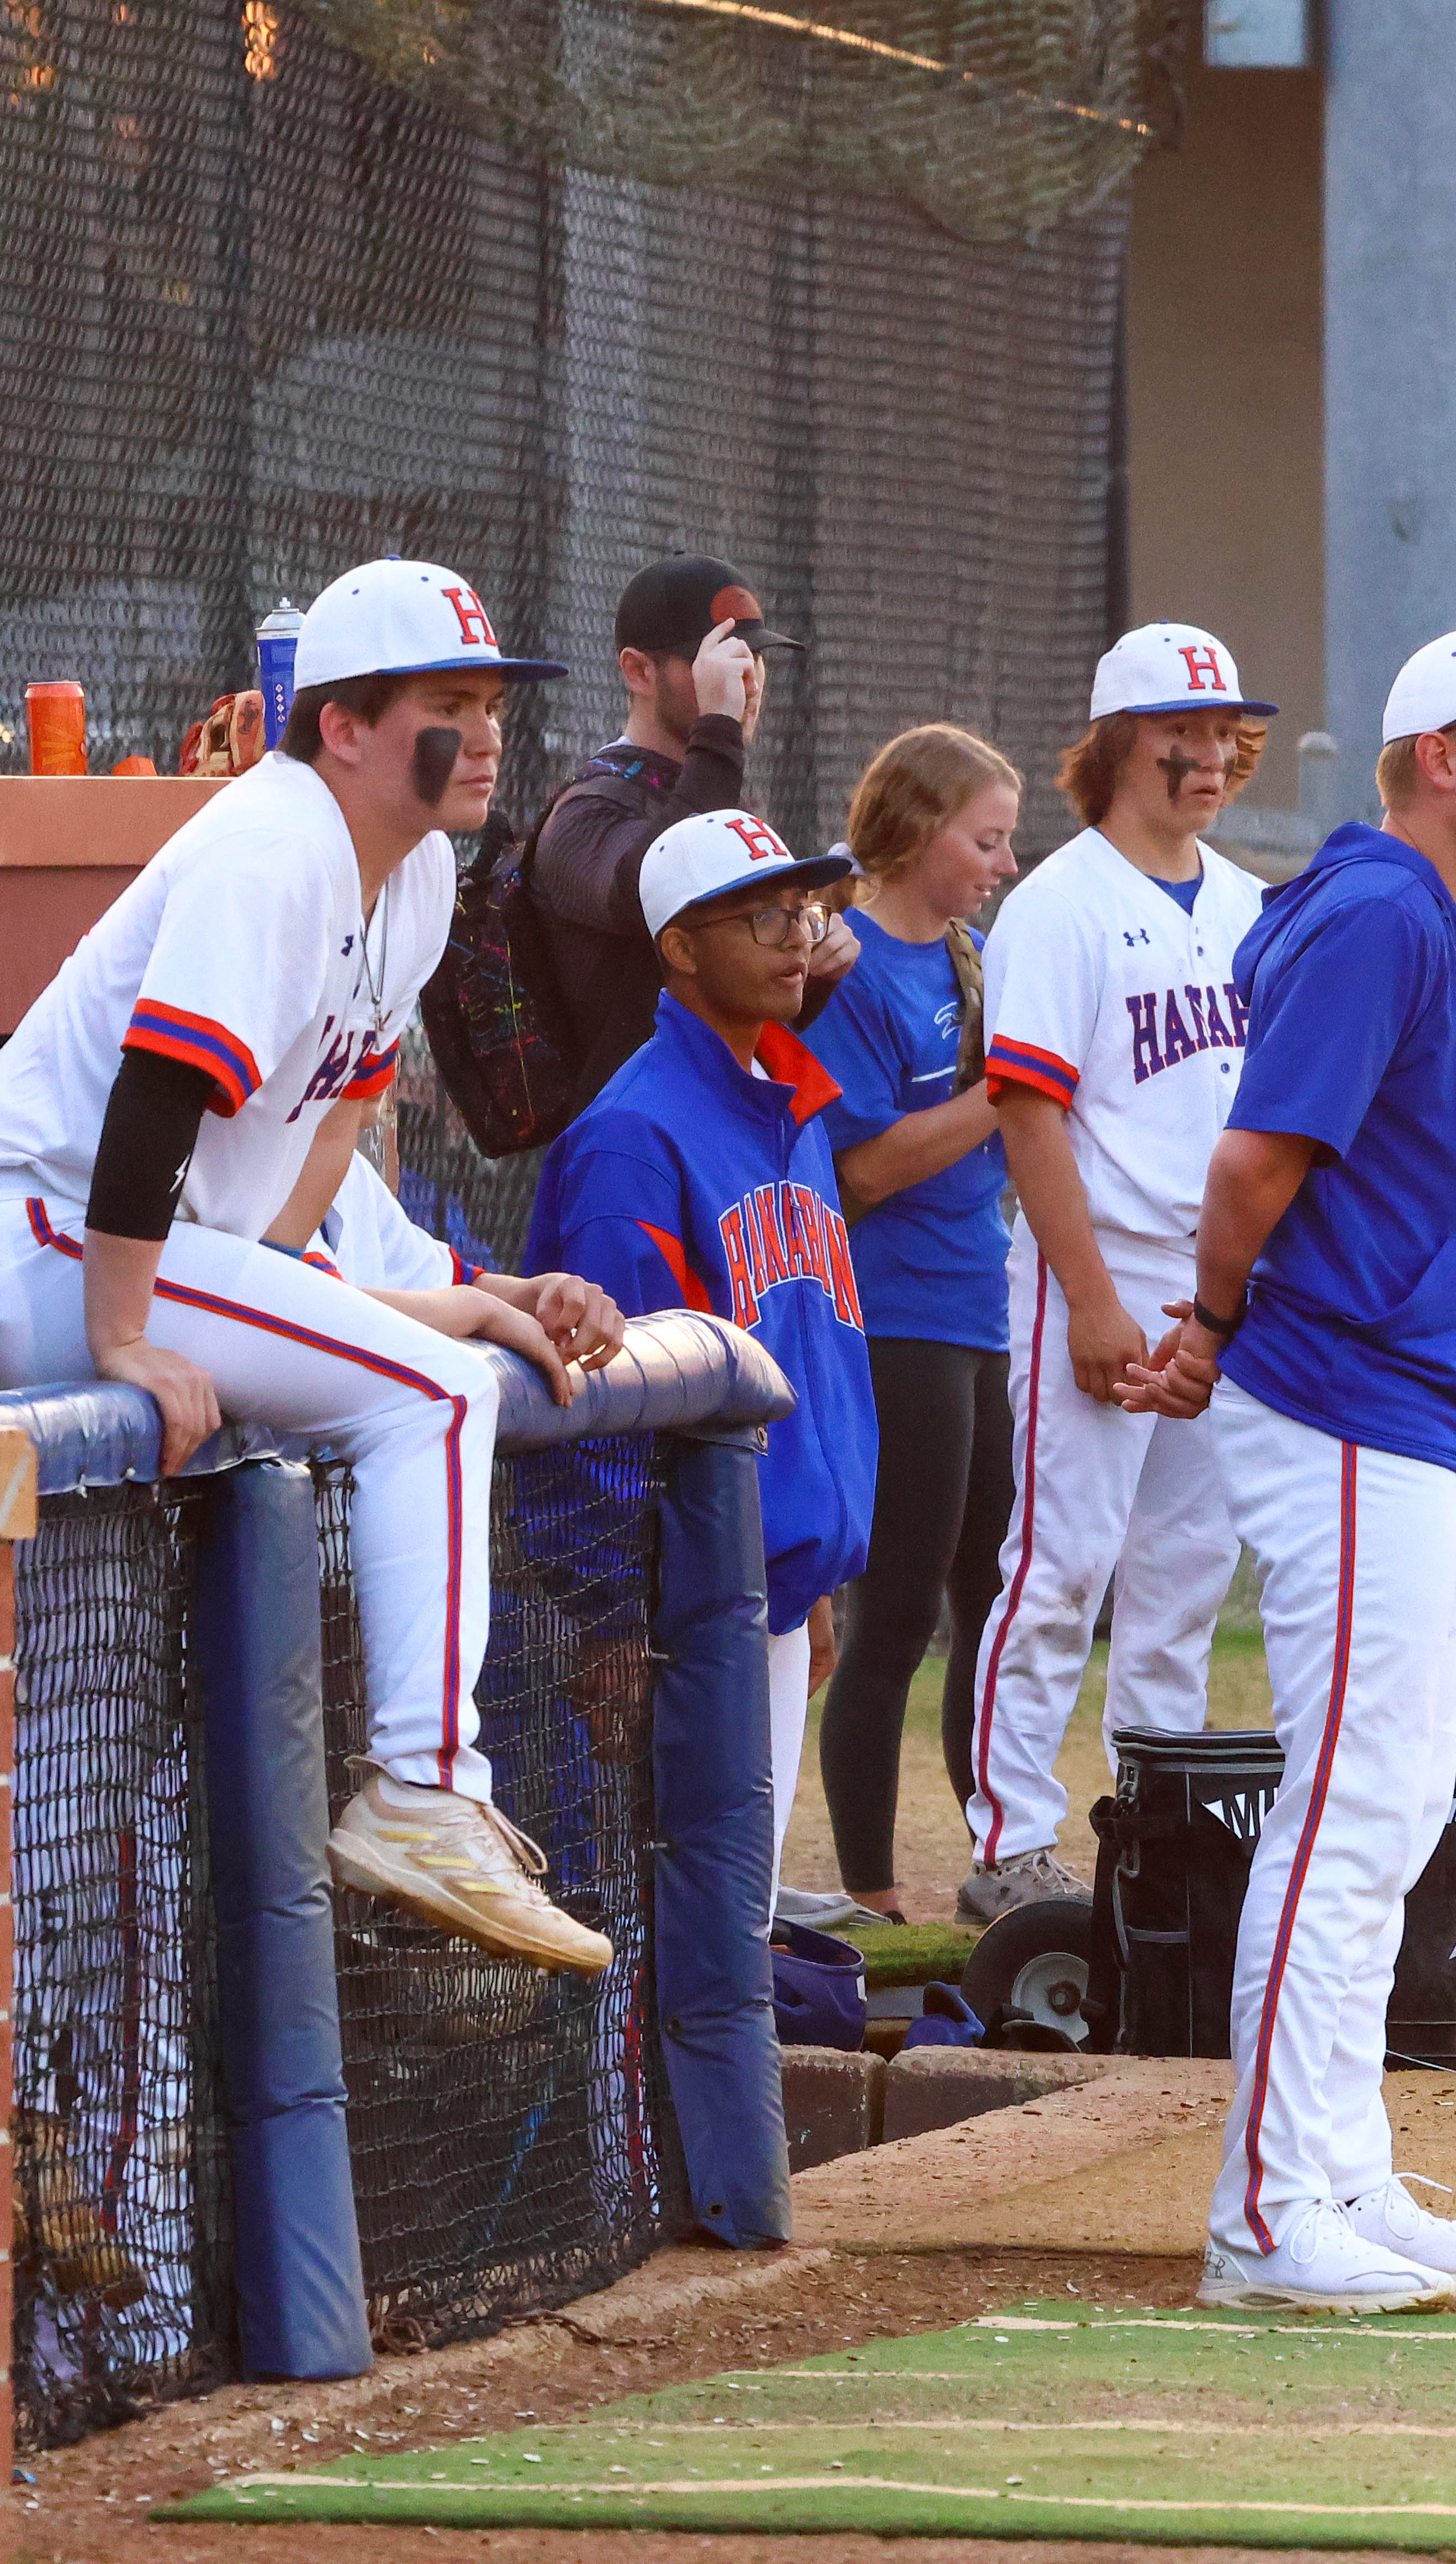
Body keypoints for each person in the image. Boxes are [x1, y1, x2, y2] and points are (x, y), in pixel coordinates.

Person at [0, 558, 618, 1971]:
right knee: (439, 1397)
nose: (487, 732)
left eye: (494, 702)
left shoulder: (419, 874)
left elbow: (294, 1199)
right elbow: (153, 1099)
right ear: (343, 725)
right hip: (44, 1222)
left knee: (96, 1773)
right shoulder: (274, 841)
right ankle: (422, 1788)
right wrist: (120, 1335)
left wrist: (432, 1298)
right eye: (449, 704)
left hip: (140, 1241)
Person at [1119, 627, 1456, 2308]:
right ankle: (1269, 2212)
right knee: (1350, 1807)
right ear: (1436, 758)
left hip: (1398, 1406)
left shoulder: (1428, 922)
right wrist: (1204, 1317)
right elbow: (1253, 1158)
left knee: (1395, 1801)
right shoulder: (1376, 914)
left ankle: (1333, 2169)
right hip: (1349, 1402)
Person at [959, 625, 1273, 1926]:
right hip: (1099, 1263)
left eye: (1222, 732)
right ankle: (1009, 1836)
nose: (1207, 754)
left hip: (1216, 1289)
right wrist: (1086, 1294)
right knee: (1061, 1561)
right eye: (1178, 733)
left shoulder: (1255, 904)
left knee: (1186, 1573)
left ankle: (1163, 1816)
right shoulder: (1062, 903)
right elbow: (1027, 1111)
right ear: (1114, 747)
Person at [524, 809, 877, 1887]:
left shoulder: (792, 1107)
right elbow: (601, 1406)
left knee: (737, 1912)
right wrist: (612, 1615)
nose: (794, 935)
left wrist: (809, 1569)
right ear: (679, 946)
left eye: (803, 909)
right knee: (670, 1923)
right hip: (676, 1608)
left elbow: (806, 1364)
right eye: (762, 913)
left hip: (759, 1582)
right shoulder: (633, 1134)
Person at [798, 725, 1026, 1925]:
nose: (999, 861)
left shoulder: (973, 956)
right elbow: (865, 1171)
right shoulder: (855, 974)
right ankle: (874, 1893)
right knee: (900, 1606)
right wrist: (1008, 1095)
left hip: (980, 1306)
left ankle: (997, 1858)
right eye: (982, 839)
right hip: (895, 1318)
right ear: (911, 831)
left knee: (992, 1597)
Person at [529, 555, 846, 1103]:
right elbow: (660, 887)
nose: (747, 681)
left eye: (756, 658)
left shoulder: (719, 788)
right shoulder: (585, 813)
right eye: (719, 661)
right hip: (631, 1141)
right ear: (637, 670)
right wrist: (717, 731)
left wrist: (806, 971)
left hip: (718, 1126)